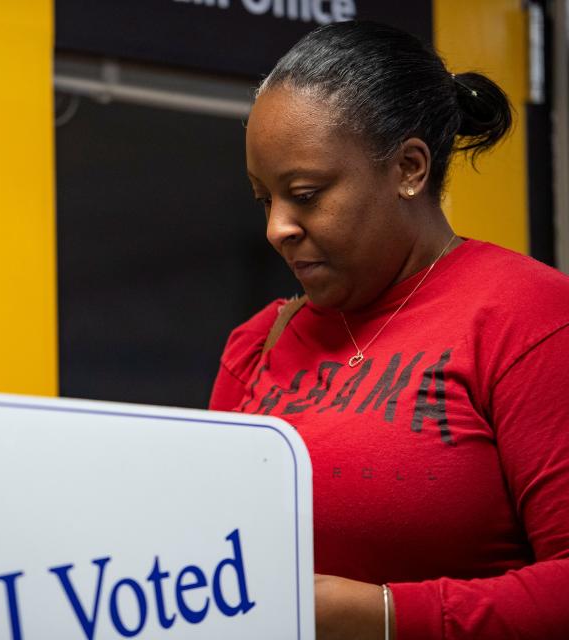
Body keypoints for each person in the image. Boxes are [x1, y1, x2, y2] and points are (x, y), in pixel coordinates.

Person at [210, 21, 569, 640]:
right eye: (264, 199)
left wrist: (384, 616)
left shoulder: (527, 317)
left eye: (305, 193)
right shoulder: (257, 343)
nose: (278, 228)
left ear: (408, 168)